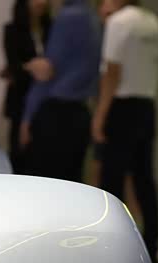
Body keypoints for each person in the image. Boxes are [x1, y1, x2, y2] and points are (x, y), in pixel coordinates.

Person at [91, 0, 158, 263]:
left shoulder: (118, 22)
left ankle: (115, 252)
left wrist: (100, 115)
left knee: (113, 182)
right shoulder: (153, 22)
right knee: (145, 179)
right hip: (147, 105)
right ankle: (152, 247)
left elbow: (112, 71)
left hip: (121, 107)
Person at [20, 0, 101, 182]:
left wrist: (27, 118)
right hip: (80, 112)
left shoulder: (68, 17)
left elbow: (47, 71)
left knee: (43, 183)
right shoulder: (93, 18)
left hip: (57, 116)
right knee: (71, 182)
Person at [3, 0, 51, 173]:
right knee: (19, 152)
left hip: (45, 99)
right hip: (20, 97)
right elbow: (13, 65)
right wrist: (33, 67)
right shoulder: (12, 30)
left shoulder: (50, 28)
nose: (41, 3)